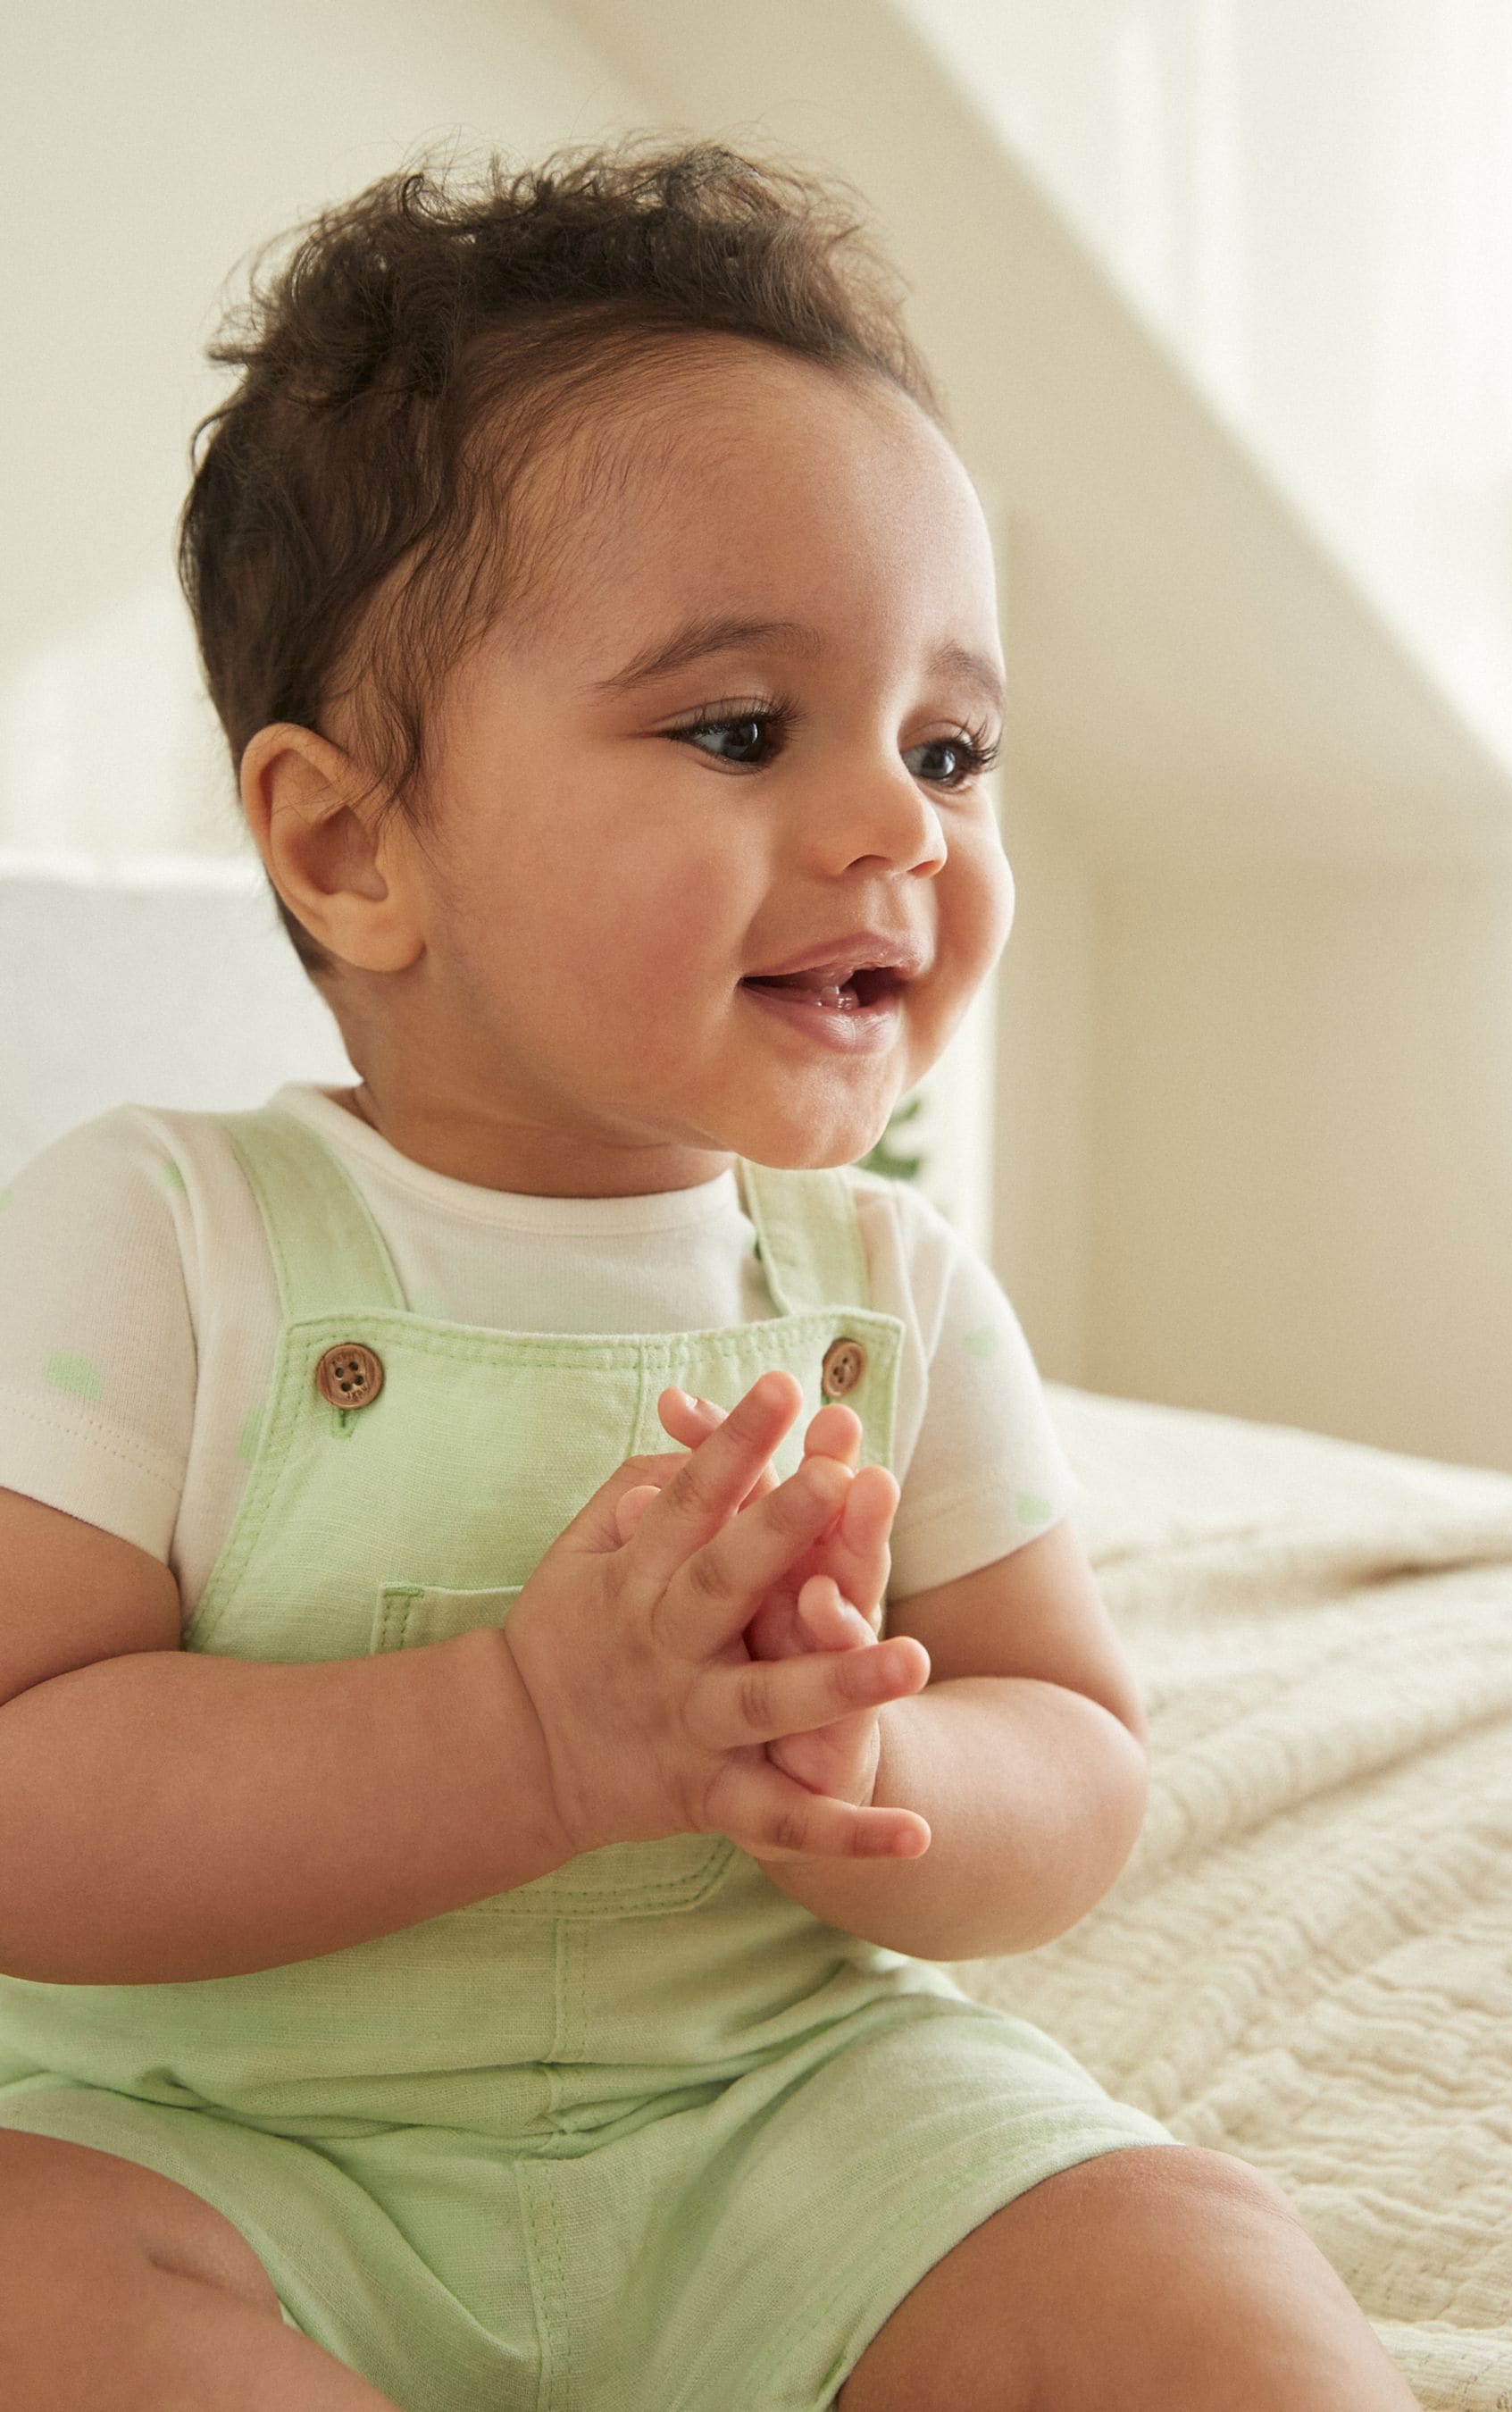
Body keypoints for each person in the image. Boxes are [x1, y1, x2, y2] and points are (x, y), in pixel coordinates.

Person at [0, 142, 1418, 2412]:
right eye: (745, 730)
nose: (904, 830)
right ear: (354, 842)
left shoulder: (890, 1285)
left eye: (951, 747)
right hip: (220, 2147)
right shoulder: (165, 1237)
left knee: (1188, 2261)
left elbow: (1079, 1757)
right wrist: (521, 1740)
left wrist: (885, 1764)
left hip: (777, 2124)